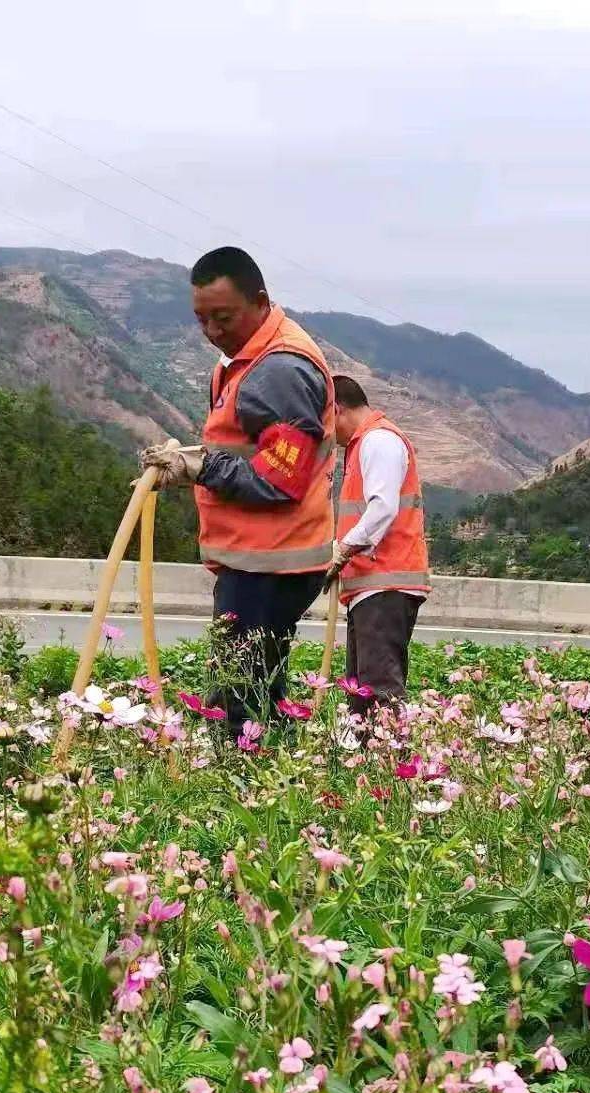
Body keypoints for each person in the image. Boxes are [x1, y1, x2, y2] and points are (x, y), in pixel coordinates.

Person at [139, 247, 335, 738]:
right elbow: (243, 447)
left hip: (270, 564)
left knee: (236, 700)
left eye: (223, 317)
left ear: (260, 301)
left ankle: (240, 794)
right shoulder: (244, 361)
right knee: (255, 690)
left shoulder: (281, 370)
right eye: (201, 319)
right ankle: (266, 782)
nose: (211, 331)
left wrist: (202, 466)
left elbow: (278, 479)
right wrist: (190, 463)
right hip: (256, 560)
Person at [324, 376, 430, 712]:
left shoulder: (378, 441)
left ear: (336, 410)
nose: (326, 433)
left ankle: (387, 761)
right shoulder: (363, 444)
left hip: (386, 581)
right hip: (372, 585)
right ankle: (369, 758)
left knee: (378, 691)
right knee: (361, 694)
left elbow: (383, 507)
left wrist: (342, 549)